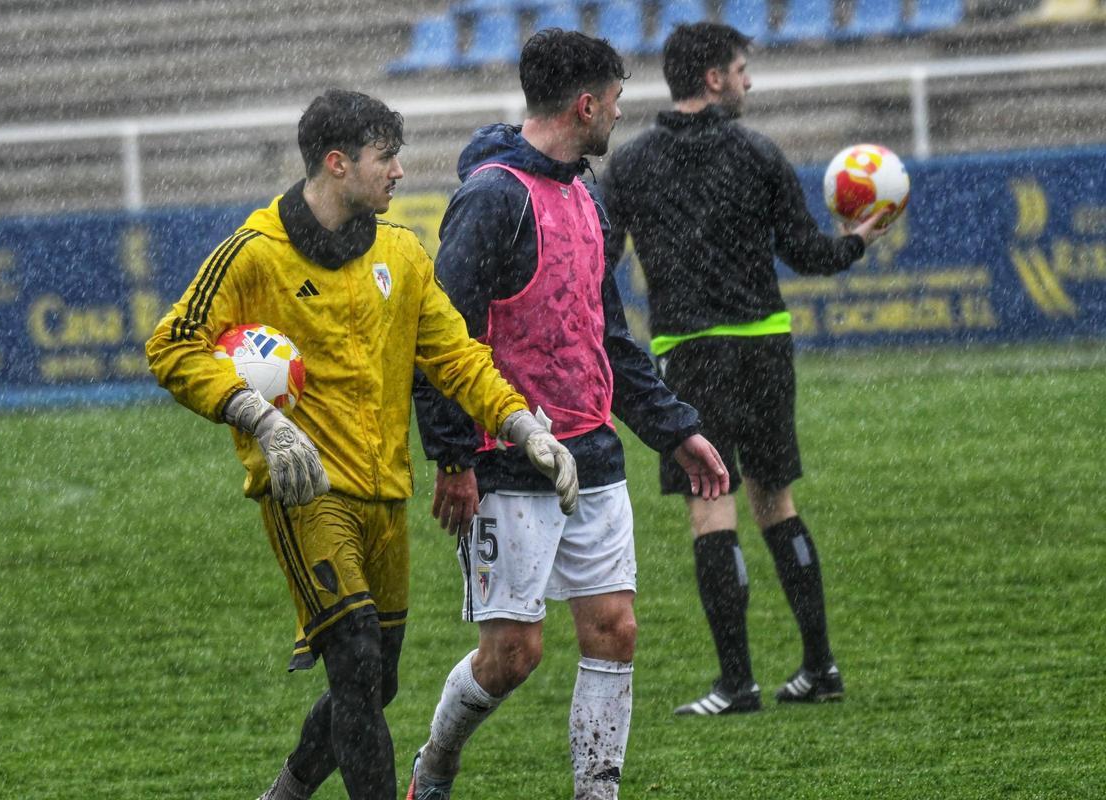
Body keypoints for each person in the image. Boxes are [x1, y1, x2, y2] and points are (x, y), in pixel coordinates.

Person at [145, 89, 579, 800]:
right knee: (352, 661)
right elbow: (172, 345)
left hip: (385, 496)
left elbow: (455, 357)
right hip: (306, 492)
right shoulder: (256, 252)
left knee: (376, 683)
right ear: (338, 164)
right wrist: (258, 415)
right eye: (388, 158)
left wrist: (518, 422)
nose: (401, 172)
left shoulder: (402, 255)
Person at [407, 30, 729, 800]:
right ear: (585, 104)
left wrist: (675, 428)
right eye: (615, 100)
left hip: (593, 453)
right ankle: (434, 766)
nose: (620, 113)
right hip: (506, 460)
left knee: (614, 629)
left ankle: (598, 792)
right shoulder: (491, 199)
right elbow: (438, 337)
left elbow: (606, 335)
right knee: (514, 655)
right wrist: (454, 457)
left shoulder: (587, 194)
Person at [601, 22, 891, 717]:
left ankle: (737, 684)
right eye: (741, 69)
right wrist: (856, 243)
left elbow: (597, 263)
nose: (748, 81)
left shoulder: (632, 163)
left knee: (712, 508)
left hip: (688, 353)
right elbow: (806, 253)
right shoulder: (758, 151)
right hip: (764, 346)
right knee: (775, 501)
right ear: (713, 80)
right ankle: (819, 666)